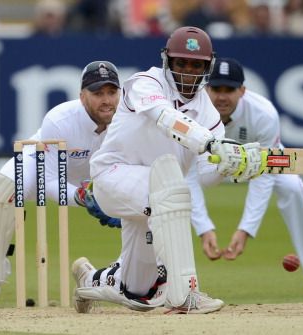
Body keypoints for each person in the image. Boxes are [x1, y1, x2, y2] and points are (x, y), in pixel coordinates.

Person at [71, 26, 266, 314]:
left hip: (152, 195)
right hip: (113, 176)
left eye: (195, 64)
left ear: (206, 66)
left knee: (137, 291)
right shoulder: (145, 83)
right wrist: (213, 144)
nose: (188, 71)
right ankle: (185, 293)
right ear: (167, 62)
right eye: (181, 63)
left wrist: (234, 166)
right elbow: (165, 118)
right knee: (172, 192)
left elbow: (205, 175)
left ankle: (90, 278)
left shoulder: (209, 115)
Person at [188, 57, 303, 296]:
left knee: (294, 187)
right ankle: (164, 283)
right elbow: (189, 177)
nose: (222, 97)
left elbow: (263, 176)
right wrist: (204, 229)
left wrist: (245, 230)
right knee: (170, 184)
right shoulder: (193, 113)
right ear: (205, 88)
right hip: (208, 166)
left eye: (230, 89)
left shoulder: (264, 114)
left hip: (256, 163)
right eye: (216, 89)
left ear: (242, 90)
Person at [0, 61, 122, 307]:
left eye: (111, 92)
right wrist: (82, 197)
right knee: (0, 187)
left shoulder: (128, 120)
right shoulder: (61, 119)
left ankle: (129, 278)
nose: (106, 100)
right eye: (97, 93)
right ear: (82, 96)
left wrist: (118, 201)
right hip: (43, 164)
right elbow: (50, 180)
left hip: (94, 175)